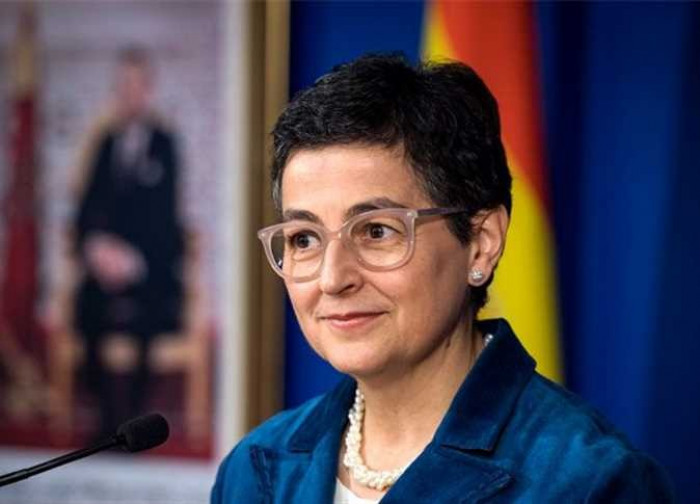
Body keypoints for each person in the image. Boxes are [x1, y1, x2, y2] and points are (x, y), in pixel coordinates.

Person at [212, 54, 673, 502]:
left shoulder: (592, 483)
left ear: (481, 243)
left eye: (376, 231)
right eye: (304, 239)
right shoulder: (253, 470)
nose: (332, 279)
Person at [73, 46, 184, 437]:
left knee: (147, 314)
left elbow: (167, 216)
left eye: (136, 85)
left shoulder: (165, 143)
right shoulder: (105, 143)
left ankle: (133, 419)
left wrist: (134, 260)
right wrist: (97, 249)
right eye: (123, 85)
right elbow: (87, 208)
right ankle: (104, 417)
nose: (129, 93)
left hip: (149, 267)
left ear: (147, 90)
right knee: (86, 306)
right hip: (106, 267)